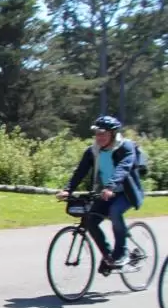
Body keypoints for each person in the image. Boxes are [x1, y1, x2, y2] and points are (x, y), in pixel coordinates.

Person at [56, 115, 144, 270]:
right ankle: (109, 258)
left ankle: (121, 254)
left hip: (126, 193)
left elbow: (123, 168)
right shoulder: (93, 151)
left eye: (103, 134)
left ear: (113, 133)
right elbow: (80, 171)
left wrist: (110, 187)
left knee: (115, 211)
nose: (99, 137)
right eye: (97, 134)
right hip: (105, 193)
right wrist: (68, 189)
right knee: (90, 221)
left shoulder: (125, 147)